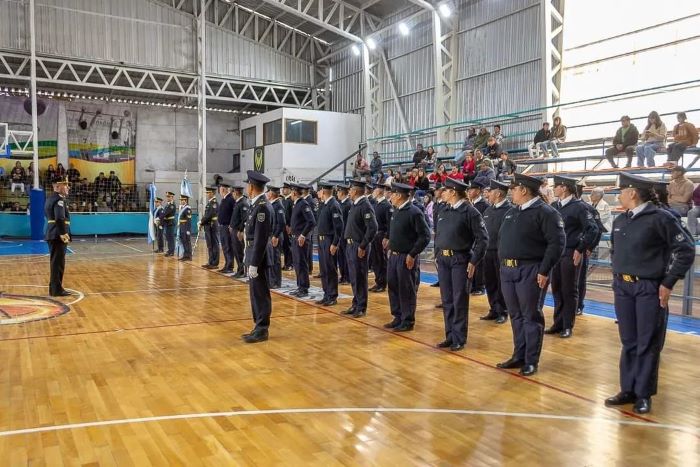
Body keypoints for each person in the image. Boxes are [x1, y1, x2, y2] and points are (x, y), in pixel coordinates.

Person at [605, 172, 694, 414]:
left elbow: (686, 249)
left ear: (632, 192)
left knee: (647, 341)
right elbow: (616, 251)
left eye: (621, 191)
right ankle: (628, 388)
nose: (619, 195)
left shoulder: (661, 218)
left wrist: (668, 282)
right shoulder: (621, 220)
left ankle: (643, 393)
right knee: (629, 340)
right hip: (623, 287)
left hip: (648, 287)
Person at [496, 173, 565, 376]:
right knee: (516, 315)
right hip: (508, 270)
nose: (512, 193)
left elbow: (557, 244)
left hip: (530, 270)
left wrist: (544, 270)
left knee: (530, 315)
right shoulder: (512, 212)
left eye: (514, 189)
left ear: (524, 190)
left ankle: (531, 360)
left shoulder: (546, 212)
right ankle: (519, 354)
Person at [434, 177, 488, 351]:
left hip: (460, 259)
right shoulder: (444, 210)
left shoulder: (470, 212)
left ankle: (459, 337)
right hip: (443, 260)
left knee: (459, 300)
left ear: (453, 192)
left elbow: (483, 239)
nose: (442, 193)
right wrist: (437, 254)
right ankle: (450, 335)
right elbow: (439, 235)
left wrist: (474, 261)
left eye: (445, 190)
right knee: (447, 299)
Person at [545, 176, 599, 338]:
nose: (554, 189)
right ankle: (558, 322)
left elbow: (593, 229)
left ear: (565, 188)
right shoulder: (555, 206)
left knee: (569, 289)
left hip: (570, 252)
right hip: (556, 253)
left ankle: (567, 325)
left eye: (556, 186)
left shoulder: (580, 207)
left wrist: (581, 248)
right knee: (556, 288)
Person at [383, 182, 431, 332]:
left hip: (406, 257)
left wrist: (413, 253)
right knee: (393, 286)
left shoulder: (414, 212)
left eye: (392, 194)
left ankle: (407, 319)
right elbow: (395, 230)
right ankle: (397, 316)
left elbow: (425, 236)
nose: (390, 196)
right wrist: (388, 238)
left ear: (398, 195)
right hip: (394, 256)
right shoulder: (396, 211)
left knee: (406, 288)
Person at [241, 170, 273, 344]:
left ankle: (262, 329)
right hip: (252, 253)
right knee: (255, 293)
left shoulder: (262, 207)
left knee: (260, 293)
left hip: (258, 256)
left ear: (252, 187)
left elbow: (260, 238)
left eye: (248, 185)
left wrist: (254, 263)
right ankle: (257, 326)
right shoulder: (256, 205)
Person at [342, 179, 378, 318]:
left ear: (356, 191)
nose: (349, 192)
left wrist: (363, 245)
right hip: (351, 245)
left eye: (350, 189)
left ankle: (361, 307)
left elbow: (373, 227)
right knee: (354, 277)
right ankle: (355, 303)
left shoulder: (365, 205)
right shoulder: (355, 205)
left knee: (360, 277)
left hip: (358, 246)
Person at [481, 180, 512, 324]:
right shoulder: (488, 210)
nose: (488, 194)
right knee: (490, 282)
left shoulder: (510, 210)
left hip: (501, 253)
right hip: (488, 252)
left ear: (498, 193)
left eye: (491, 191)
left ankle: (503, 311)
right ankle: (493, 308)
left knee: (501, 283)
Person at [315, 182, 344, 306]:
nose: (317, 193)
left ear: (323, 191)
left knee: (330, 268)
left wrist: (335, 243)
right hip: (321, 240)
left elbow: (339, 226)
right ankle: (326, 293)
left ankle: (332, 295)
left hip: (329, 240)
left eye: (319, 191)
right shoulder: (324, 205)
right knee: (324, 269)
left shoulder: (334, 205)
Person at [45, 177, 73, 297]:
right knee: (58, 263)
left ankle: (54, 288)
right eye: (65, 185)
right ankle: (56, 290)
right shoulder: (59, 200)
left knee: (55, 262)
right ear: (57, 186)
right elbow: (60, 218)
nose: (68, 187)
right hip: (58, 234)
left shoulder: (50, 198)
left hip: (53, 233)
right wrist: (63, 234)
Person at [289, 183, 316, 298]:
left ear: (294, 192)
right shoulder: (297, 204)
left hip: (301, 240)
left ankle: (304, 288)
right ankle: (300, 286)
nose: (290, 194)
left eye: (291, 192)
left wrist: (303, 235)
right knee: (297, 263)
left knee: (302, 263)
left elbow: (311, 221)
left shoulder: (303, 204)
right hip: (295, 238)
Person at [370, 183, 391, 293]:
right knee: (375, 260)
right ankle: (378, 281)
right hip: (374, 235)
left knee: (382, 260)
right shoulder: (376, 204)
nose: (373, 192)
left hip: (382, 235)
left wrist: (387, 237)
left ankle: (382, 283)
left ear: (379, 191)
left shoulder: (386, 205)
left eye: (374, 190)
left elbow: (389, 224)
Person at [266, 185, 285, 289]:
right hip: (272, 235)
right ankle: (271, 280)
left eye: (268, 192)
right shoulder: (272, 204)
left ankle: (276, 282)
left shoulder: (278, 205)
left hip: (276, 236)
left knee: (275, 259)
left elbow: (281, 223)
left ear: (271, 194)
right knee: (272, 258)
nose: (267, 194)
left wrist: (276, 236)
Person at [199, 186, 220, 269]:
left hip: (212, 226)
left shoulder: (214, 203)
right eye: (207, 193)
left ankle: (215, 263)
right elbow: (207, 215)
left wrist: (201, 222)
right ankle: (211, 261)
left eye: (208, 193)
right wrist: (202, 222)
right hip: (208, 226)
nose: (207, 194)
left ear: (212, 193)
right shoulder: (210, 203)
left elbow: (209, 215)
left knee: (214, 244)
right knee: (210, 245)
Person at [230, 186, 249, 277]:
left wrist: (240, 230)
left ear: (236, 193)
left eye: (233, 192)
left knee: (240, 251)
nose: (232, 194)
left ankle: (242, 271)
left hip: (238, 231)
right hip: (234, 230)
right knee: (236, 251)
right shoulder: (238, 203)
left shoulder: (243, 203)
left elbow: (244, 219)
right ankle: (239, 269)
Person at [217, 184, 235, 273]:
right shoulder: (224, 199)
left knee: (228, 247)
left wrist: (231, 225)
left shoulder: (230, 199)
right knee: (224, 247)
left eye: (220, 190)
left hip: (227, 227)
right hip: (222, 226)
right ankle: (227, 265)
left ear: (223, 190)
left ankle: (230, 266)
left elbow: (234, 214)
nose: (219, 192)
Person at [281, 183, 294, 271]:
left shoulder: (290, 200)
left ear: (289, 190)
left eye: (285, 188)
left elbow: (292, 215)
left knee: (289, 246)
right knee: (285, 246)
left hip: (288, 227)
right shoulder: (283, 200)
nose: (283, 190)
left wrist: (290, 226)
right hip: (283, 226)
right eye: (283, 188)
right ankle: (286, 263)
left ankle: (290, 264)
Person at [178, 195, 193, 261]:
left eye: (183, 200)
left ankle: (189, 256)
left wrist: (188, 230)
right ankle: (185, 255)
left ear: (186, 201)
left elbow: (189, 220)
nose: (181, 201)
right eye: (181, 200)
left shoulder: (187, 209)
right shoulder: (182, 208)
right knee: (183, 241)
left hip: (185, 227)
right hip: (182, 226)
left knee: (187, 241)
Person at [162, 191, 176, 257]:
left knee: (171, 238)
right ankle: (169, 250)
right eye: (167, 196)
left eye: (169, 196)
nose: (167, 198)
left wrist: (159, 218)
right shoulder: (167, 204)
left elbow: (165, 213)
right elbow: (164, 212)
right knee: (168, 237)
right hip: (167, 223)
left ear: (172, 197)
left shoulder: (172, 205)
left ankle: (171, 251)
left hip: (170, 223)